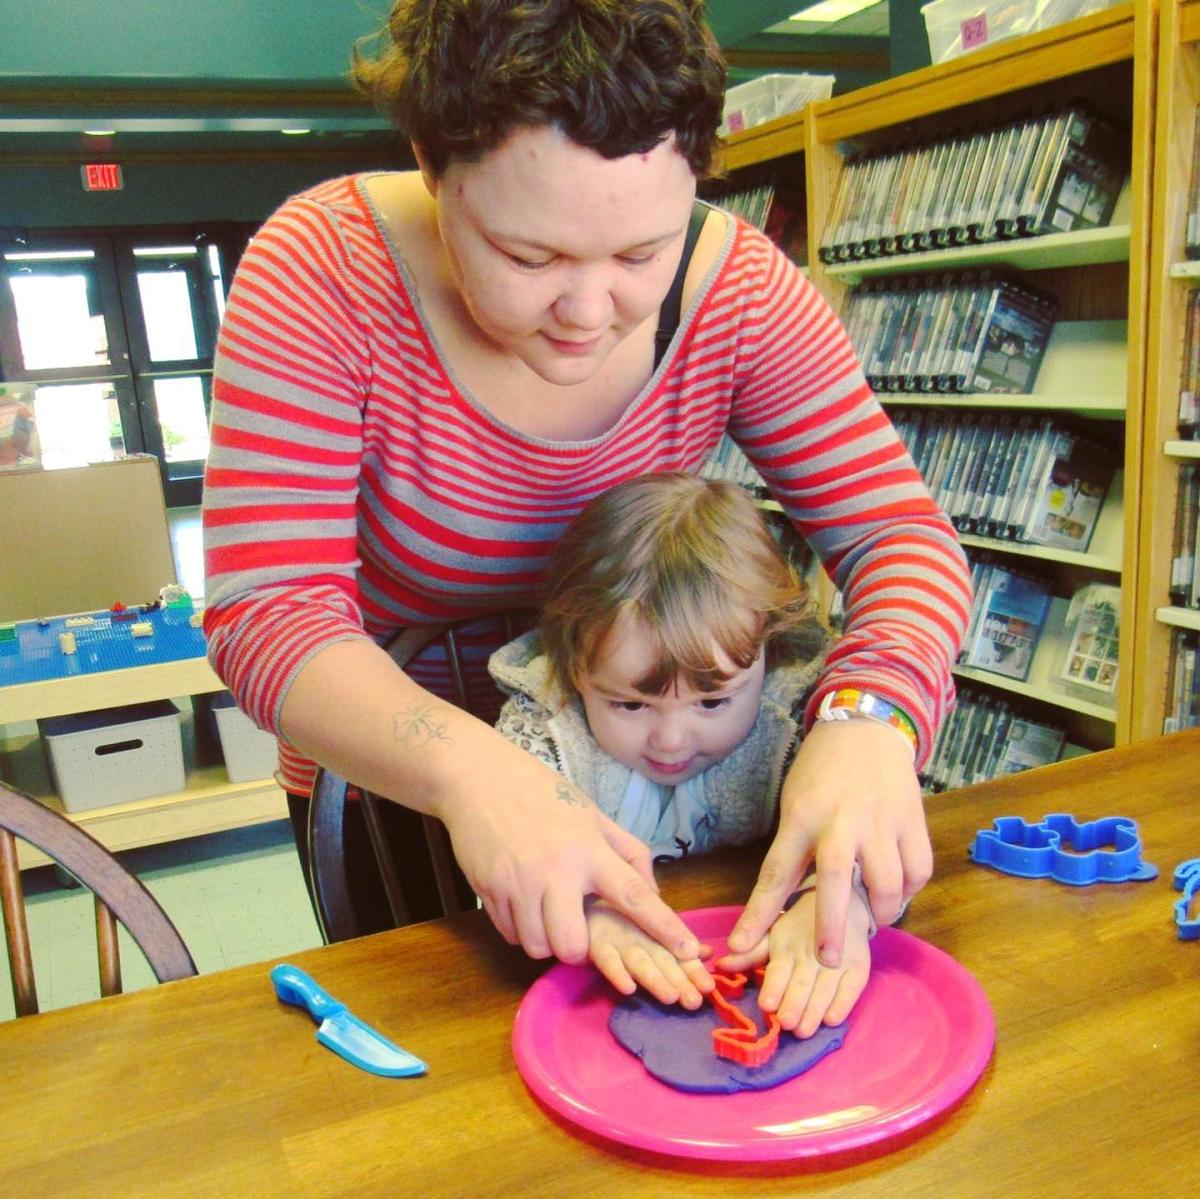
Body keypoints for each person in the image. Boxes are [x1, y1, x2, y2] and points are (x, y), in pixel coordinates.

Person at [201, 0, 971, 970]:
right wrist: (482, 772)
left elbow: (901, 537)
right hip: (401, 800)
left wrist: (872, 716)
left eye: (642, 253)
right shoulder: (322, 270)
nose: (588, 309)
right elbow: (268, 609)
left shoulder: (738, 289)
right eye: (530, 256)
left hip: (668, 779)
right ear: (432, 166)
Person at [491, 471, 882, 1034]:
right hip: (585, 1006)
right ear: (574, 671)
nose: (671, 741)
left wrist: (834, 898)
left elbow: (867, 826)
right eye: (630, 705)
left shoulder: (798, 721)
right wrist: (584, 909)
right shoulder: (543, 736)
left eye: (713, 701)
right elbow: (513, 860)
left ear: (769, 660)